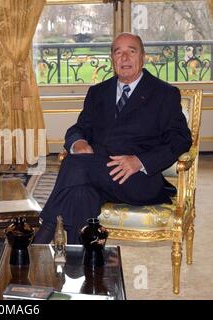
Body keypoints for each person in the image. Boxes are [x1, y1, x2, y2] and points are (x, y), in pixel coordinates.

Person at [33, 33, 192, 244]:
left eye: (131, 51)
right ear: (112, 59)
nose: (124, 57)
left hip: (137, 179)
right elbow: (79, 128)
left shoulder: (164, 93)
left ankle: (45, 230)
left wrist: (141, 162)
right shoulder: (98, 92)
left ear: (143, 57)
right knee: (79, 195)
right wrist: (78, 142)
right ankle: (78, 266)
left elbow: (181, 138)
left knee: (74, 164)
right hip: (96, 177)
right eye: (118, 52)